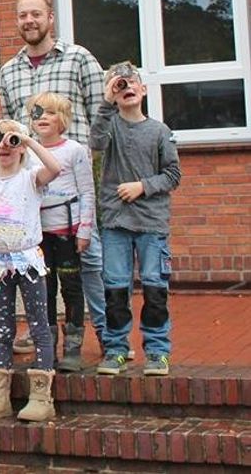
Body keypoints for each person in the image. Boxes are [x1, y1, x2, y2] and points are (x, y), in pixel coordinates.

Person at [0, 0, 106, 352]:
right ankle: (40, 330)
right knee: (35, 264)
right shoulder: (8, 72)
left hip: (74, 181)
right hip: (32, 189)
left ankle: (107, 335)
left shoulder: (78, 59)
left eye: (36, 14)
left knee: (87, 262)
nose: (29, 21)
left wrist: (92, 166)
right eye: (23, 15)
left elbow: (100, 118)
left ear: (50, 18)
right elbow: (11, 130)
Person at [0, 121, 61, 423]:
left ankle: (42, 397)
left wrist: (27, 140)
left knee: (38, 324)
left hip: (28, 260)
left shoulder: (30, 177)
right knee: (3, 328)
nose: (3, 146)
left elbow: (55, 168)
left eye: (10, 140)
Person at [90, 62, 181, 377]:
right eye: (119, 84)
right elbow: (96, 142)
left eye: (132, 82)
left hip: (151, 224)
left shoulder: (159, 131)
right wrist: (106, 102)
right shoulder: (110, 126)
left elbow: (173, 174)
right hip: (116, 223)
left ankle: (157, 351)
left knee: (155, 288)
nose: (126, 87)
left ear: (143, 89)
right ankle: (116, 350)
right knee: (115, 288)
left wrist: (142, 186)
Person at [28, 92, 96, 372]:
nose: (43, 118)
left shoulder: (74, 150)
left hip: (67, 231)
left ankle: (73, 347)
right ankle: (47, 347)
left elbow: (87, 190)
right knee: (44, 290)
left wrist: (85, 230)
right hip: (38, 235)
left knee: (71, 287)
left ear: (63, 119)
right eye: (37, 113)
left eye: (50, 112)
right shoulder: (28, 151)